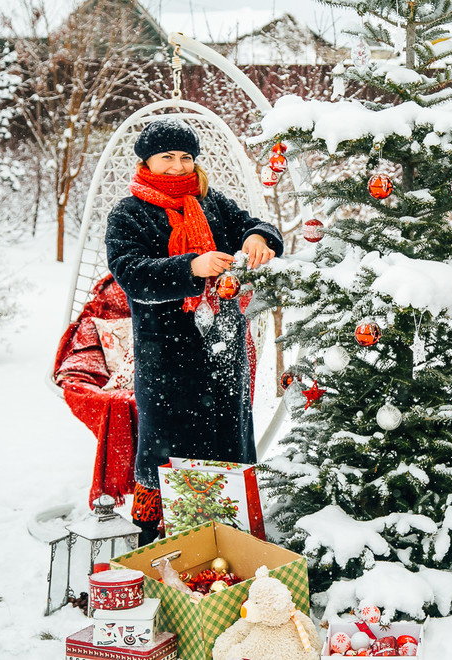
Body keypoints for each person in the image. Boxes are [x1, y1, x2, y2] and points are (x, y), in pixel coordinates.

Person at [105, 118, 284, 546]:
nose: (177, 165)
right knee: (170, 446)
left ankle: (231, 536)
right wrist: (191, 268)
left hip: (223, 346)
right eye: (167, 156)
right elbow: (132, 275)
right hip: (167, 352)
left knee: (227, 439)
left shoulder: (212, 202)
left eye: (185, 157)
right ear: (147, 160)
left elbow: (257, 226)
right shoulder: (129, 213)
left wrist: (259, 238)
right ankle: (163, 542)